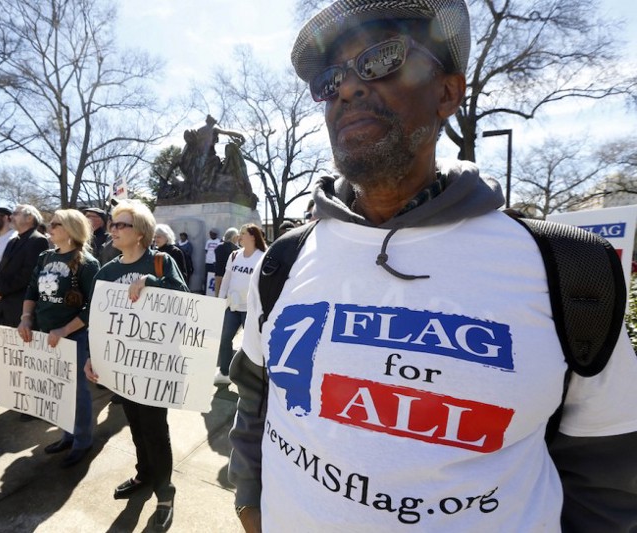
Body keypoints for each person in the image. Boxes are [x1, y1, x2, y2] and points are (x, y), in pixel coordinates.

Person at [228, 1, 637, 531]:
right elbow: (257, 396)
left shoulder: (567, 269)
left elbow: (608, 480)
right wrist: (249, 503)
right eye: (330, 79)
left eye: (382, 59)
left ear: (448, 92)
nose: (348, 87)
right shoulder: (284, 259)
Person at [84, 199, 187, 532]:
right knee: (136, 425)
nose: (113, 230)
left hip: (153, 364)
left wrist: (151, 284)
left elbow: (185, 301)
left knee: (156, 429)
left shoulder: (160, 262)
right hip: (121, 366)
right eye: (112, 225)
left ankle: (165, 492)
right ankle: (144, 474)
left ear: (141, 232)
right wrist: (92, 355)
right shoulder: (107, 271)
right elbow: (96, 319)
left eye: (121, 225)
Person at [18, 209, 100, 468]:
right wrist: (26, 318)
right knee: (58, 389)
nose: (49, 227)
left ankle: (82, 441)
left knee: (76, 391)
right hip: (45, 333)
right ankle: (68, 435)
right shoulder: (45, 257)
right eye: (50, 224)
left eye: (56, 224)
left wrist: (64, 330)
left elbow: (92, 307)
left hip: (73, 336)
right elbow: (32, 289)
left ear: (72, 229)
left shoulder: (87, 263)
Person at [214, 224, 266, 386]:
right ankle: (224, 372)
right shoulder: (235, 255)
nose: (239, 236)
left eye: (243, 233)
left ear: (253, 236)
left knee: (252, 343)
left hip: (251, 309)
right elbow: (226, 279)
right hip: (233, 306)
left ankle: (252, 376)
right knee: (224, 338)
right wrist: (221, 300)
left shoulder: (262, 256)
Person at [0, 204, 50, 328]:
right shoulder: (13, 241)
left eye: (16, 214)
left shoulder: (38, 241)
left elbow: (28, 274)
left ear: (29, 218)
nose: (11, 217)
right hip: (4, 304)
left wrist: (1, 290)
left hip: (21, 305)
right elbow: (1, 268)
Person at [213, 227, 239, 298]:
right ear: (233, 237)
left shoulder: (218, 247)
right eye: (237, 236)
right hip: (229, 277)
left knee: (218, 296)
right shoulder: (236, 250)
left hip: (218, 275)